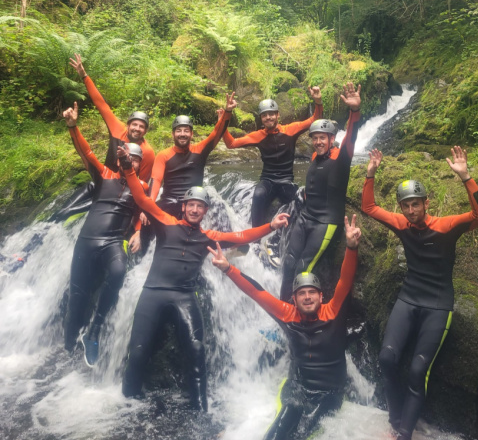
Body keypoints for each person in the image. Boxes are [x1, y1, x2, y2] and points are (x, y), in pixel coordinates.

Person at [117, 145, 290, 410]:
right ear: (183, 207)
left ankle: (200, 408)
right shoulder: (166, 222)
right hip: (152, 293)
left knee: (197, 349)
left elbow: (241, 237)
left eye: (200, 207)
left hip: (185, 296)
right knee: (138, 351)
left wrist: (272, 226)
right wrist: (129, 168)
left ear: (205, 211)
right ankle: (126, 404)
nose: (195, 210)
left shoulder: (209, 237)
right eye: (191, 205)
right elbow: (142, 200)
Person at [361, 146, 478, 440]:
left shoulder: (445, 227)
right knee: (387, 358)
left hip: (438, 305)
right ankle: (396, 421)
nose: (410, 210)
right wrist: (371, 171)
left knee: (418, 371)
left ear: (426, 203)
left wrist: (466, 177)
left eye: (415, 204)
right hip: (408, 298)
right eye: (405, 205)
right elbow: (369, 207)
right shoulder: (402, 225)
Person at [208, 214, 361, 440]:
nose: (307, 297)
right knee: (284, 419)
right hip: (299, 385)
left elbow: (345, 282)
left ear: (320, 295)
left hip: (330, 392)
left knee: (306, 430)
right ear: (294, 299)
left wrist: (351, 247)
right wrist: (227, 269)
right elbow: (256, 292)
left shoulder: (333, 311)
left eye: (312, 292)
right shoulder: (287, 314)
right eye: (302, 294)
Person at [62, 102, 149, 367]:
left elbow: (149, 210)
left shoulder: (142, 187)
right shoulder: (105, 174)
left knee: (118, 272)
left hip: (113, 242)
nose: (130, 161)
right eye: (127, 156)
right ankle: (67, 344)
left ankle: (95, 330)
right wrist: (73, 126)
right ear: (120, 156)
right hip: (86, 241)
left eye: (135, 159)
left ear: (139, 162)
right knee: (77, 294)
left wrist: (139, 232)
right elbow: (87, 153)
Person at [279, 82, 361, 302]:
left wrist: (354, 111)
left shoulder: (341, 158)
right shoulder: (315, 156)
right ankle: (281, 308)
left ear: (331, 140)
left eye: (322, 138)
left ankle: (298, 316)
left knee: (304, 267)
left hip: (325, 222)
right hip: (306, 216)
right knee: (288, 262)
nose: (318, 142)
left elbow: (351, 137)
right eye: (315, 138)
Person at [127, 93, 237, 253]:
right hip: (170, 201)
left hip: (194, 201)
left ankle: (230, 246)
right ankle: (140, 248)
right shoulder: (164, 155)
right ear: (173, 134)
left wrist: (227, 112)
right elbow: (156, 181)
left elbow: (217, 133)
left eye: (186, 131)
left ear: (192, 134)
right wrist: (148, 206)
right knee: (148, 218)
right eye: (179, 131)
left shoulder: (200, 150)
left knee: (218, 205)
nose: (183, 134)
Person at [221, 88, 323, 228]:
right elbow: (230, 144)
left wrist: (318, 101)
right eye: (264, 115)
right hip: (267, 180)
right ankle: (255, 237)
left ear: (278, 115)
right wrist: (225, 117)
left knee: (300, 199)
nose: (268, 117)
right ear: (261, 119)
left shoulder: (290, 130)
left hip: (286, 181)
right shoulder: (258, 135)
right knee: (258, 195)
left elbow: (315, 119)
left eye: (271, 114)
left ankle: (299, 233)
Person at [69, 53, 155, 182]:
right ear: (128, 125)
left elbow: (143, 181)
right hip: (105, 177)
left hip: (127, 187)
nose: (137, 129)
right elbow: (101, 104)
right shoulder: (118, 129)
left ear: (146, 131)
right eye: (134, 125)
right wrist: (84, 76)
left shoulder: (147, 152)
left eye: (141, 127)